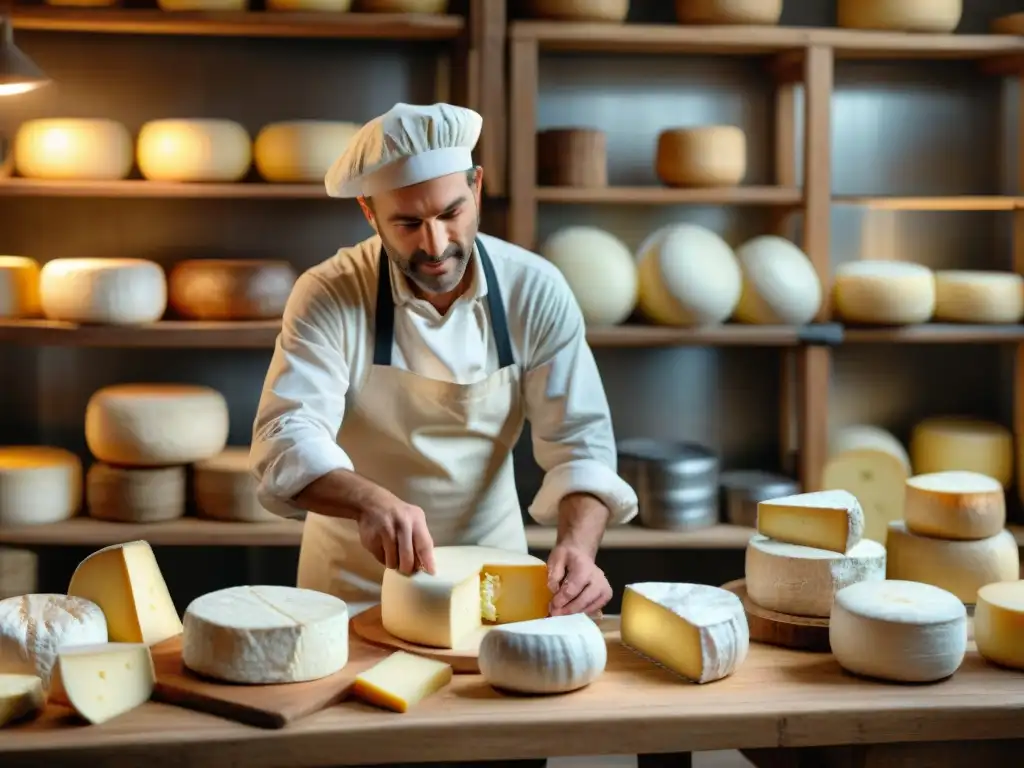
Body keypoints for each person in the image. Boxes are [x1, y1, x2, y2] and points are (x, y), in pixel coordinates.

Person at [250, 100, 637, 628]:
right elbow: (285, 435)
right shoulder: (328, 293)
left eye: (450, 214)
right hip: (355, 588)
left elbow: (581, 443)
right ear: (369, 212)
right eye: (408, 223)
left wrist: (578, 546)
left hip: (494, 583)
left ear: (476, 188)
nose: (434, 245)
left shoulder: (534, 289)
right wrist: (368, 502)